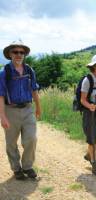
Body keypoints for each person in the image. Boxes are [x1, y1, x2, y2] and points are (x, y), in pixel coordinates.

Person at [0, 40, 41, 180]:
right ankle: (16, 168)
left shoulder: (30, 70)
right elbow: (1, 95)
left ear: (24, 54)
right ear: (10, 54)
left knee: (31, 138)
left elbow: (34, 90)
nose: (18, 54)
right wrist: (2, 116)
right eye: (15, 52)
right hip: (10, 110)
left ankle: (27, 166)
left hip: (28, 108)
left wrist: (38, 108)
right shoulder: (4, 72)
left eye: (21, 52)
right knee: (11, 142)